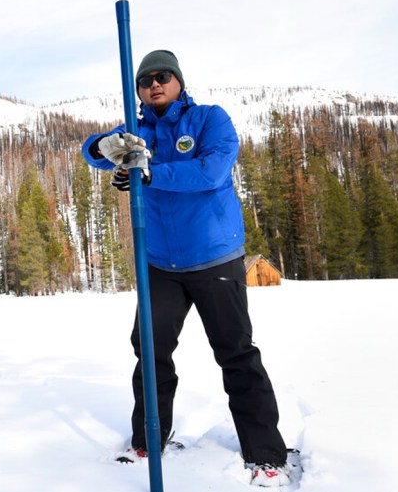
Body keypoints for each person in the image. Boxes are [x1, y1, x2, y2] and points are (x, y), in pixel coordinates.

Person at [82, 50, 289, 486]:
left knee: (235, 353)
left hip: (214, 257)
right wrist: (102, 148)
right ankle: (148, 441)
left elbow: (211, 172)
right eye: (146, 80)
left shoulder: (210, 119)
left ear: (178, 81)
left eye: (163, 77)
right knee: (151, 352)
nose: (154, 84)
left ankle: (266, 453)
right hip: (159, 263)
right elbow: (97, 153)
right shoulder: (137, 132)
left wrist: (151, 171)